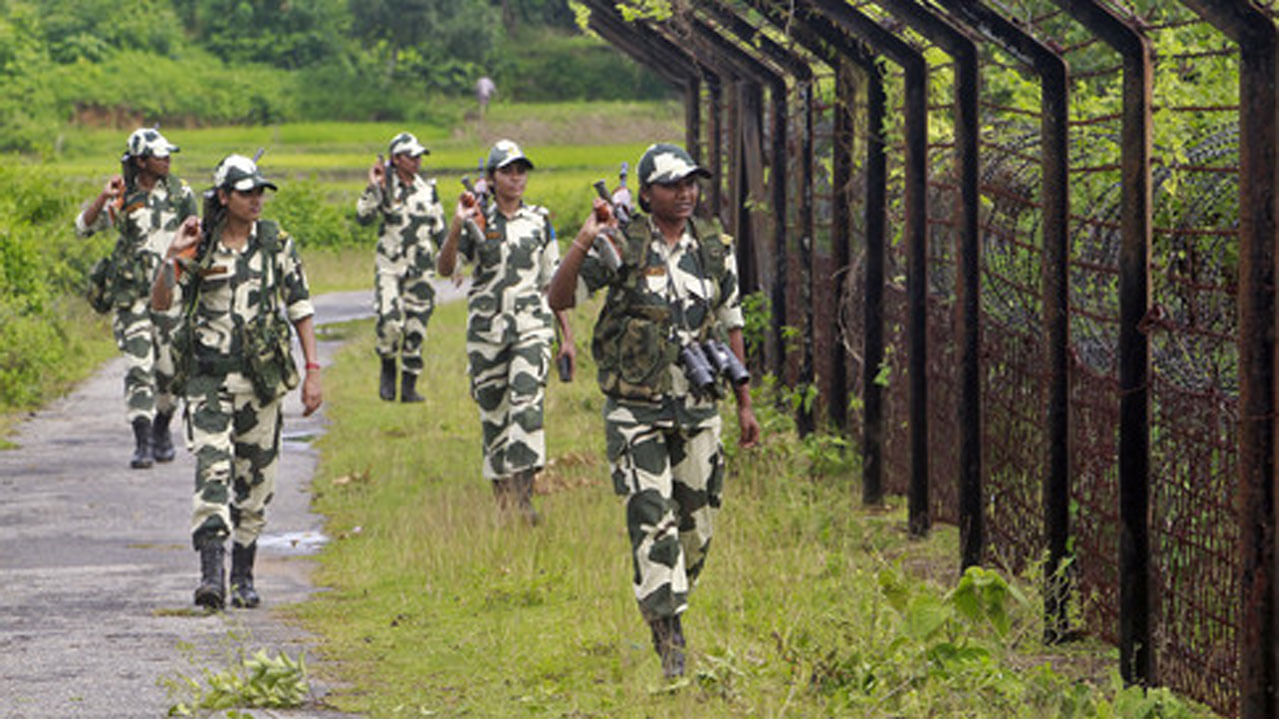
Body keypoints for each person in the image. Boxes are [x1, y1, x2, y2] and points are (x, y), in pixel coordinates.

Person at [547, 143, 761, 679]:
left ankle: (667, 599)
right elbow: (559, 297)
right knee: (652, 521)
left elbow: (732, 321)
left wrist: (744, 404)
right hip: (635, 411)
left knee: (697, 530)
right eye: (673, 185)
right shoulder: (622, 242)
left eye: (692, 183)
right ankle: (670, 642)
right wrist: (584, 241)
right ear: (646, 194)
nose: (686, 193)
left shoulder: (714, 248)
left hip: (697, 408)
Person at [151, 154, 323, 610]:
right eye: (246, 193)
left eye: (260, 192)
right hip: (208, 382)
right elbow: (162, 299)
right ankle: (212, 577)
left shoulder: (276, 244)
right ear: (224, 197)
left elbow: (299, 306)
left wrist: (313, 371)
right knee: (213, 473)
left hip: (261, 385)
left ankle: (244, 574)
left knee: (256, 484)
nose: (256, 201)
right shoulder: (200, 245)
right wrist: (172, 254)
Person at [437, 139, 574, 524]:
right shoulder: (477, 221)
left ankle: (525, 497)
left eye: (521, 171)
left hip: (532, 326)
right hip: (487, 332)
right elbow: (446, 268)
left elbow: (554, 282)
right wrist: (456, 224)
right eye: (507, 171)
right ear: (491, 178)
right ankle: (503, 501)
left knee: (527, 408)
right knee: (494, 414)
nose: (516, 178)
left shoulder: (539, 221)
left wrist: (567, 338)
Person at [75, 127, 198, 469]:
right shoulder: (123, 196)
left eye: (168, 155)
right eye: (160, 156)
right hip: (132, 297)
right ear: (142, 161)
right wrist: (103, 198)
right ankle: (142, 441)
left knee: (169, 370)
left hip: (170, 296)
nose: (167, 160)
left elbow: (196, 237)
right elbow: (83, 228)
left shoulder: (180, 193)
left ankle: (161, 427)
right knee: (138, 367)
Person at [356, 132, 447, 402]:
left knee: (416, 328)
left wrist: (451, 260)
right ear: (396, 159)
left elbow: (439, 229)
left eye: (420, 156)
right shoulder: (385, 187)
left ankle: (409, 387)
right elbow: (363, 217)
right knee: (390, 320)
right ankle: (386, 365)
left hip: (421, 268)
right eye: (411, 156)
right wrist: (374, 186)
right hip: (390, 266)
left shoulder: (427, 190)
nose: (417, 161)